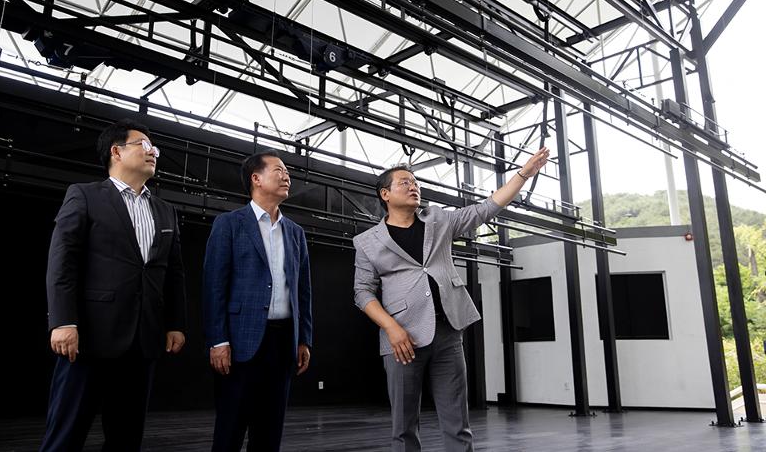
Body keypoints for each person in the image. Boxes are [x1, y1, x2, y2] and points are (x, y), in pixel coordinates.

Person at [353, 147, 550, 452]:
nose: (413, 186)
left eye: (415, 181)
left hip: (448, 334)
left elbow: (486, 208)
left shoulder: (439, 220)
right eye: (404, 182)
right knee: (403, 427)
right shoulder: (367, 242)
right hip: (402, 340)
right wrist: (391, 328)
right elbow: (362, 291)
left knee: (458, 424)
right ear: (385, 195)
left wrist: (524, 174)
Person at [40, 119, 187, 451]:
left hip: (144, 340)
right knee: (66, 434)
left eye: (155, 148)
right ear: (116, 151)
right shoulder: (85, 195)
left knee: (126, 436)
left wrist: (176, 324)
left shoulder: (166, 211)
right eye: (144, 145)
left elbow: (173, 273)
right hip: (90, 337)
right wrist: (63, 321)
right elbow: (63, 261)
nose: (153, 153)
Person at [203, 150, 312, 452]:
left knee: (270, 431)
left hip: (282, 343)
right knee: (230, 429)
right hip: (240, 342)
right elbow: (214, 286)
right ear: (256, 178)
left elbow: (303, 291)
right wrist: (218, 340)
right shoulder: (229, 224)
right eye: (278, 170)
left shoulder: (296, 233)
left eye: (287, 171)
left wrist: (303, 339)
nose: (286, 175)